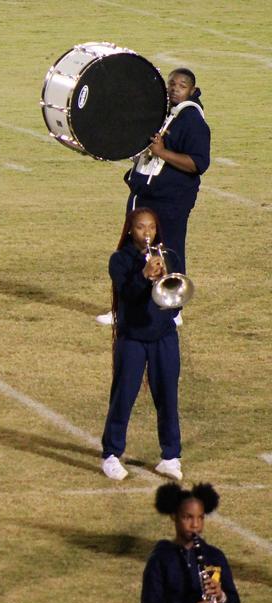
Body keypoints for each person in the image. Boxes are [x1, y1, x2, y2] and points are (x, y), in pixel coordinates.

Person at [97, 68, 210, 327]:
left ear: (192, 90)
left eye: (181, 85)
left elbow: (198, 163)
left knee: (169, 251)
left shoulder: (192, 120)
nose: (174, 89)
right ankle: (124, 309)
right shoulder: (163, 113)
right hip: (143, 195)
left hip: (170, 200)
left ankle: (173, 310)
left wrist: (162, 152)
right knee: (132, 252)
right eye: (172, 84)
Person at [100, 208, 183, 481]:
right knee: (123, 396)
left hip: (164, 337)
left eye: (151, 227)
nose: (147, 232)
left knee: (168, 397)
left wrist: (163, 280)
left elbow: (177, 298)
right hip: (132, 338)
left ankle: (170, 457)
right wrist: (144, 275)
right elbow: (126, 294)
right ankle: (111, 455)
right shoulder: (119, 260)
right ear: (130, 230)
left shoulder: (169, 256)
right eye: (140, 227)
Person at [142, 483, 240, 603]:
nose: (195, 525)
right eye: (188, 517)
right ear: (174, 516)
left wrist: (221, 596)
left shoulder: (214, 556)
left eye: (200, 517)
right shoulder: (160, 560)